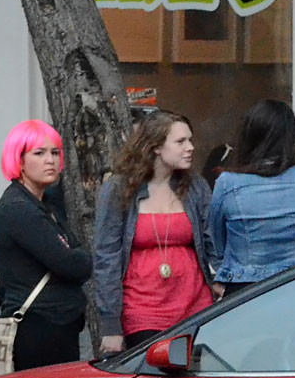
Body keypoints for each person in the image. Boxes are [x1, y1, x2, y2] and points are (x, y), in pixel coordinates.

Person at [92, 110, 216, 355]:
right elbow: (106, 257)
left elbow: (212, 241)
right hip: (143, 310)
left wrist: (221, 281)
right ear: (156, 146)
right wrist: (111, 325)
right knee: (152, 376)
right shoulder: (119, 189)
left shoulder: (195, 186)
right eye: (180, 141)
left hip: (196, 306)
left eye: (190, 140)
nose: (190, 147)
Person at [0, 121, 91, 370]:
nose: (50, 160)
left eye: (55, 152)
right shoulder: (19, 209)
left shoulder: (45, 204)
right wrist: (76, 256)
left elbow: (77, 255)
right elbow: (73, 265)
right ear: (20, 161)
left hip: (56, 327)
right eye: (39, 153)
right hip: (36, 328)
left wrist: (76, 255)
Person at [208, 99, 295, 293]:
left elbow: (218, 243)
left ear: (248, 137)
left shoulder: (228, 183)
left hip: (243, 288)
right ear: (290, 139)